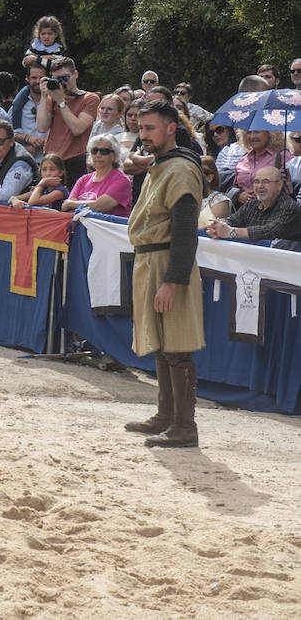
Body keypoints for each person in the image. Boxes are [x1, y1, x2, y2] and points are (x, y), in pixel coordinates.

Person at [124, 100, 205, 448]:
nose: (143, 136)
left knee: (177, 345)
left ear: (171, 128)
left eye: (150, 128)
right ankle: (165, 415)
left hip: (167, 262)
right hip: (150, 261)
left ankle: (185, 425)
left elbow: (186, 232)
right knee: (161, 345)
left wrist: (173, 281)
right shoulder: (163, 164)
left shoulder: (181, 170)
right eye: (140, 129)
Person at [36, 56, 100, 184]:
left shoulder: (90, 98)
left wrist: (61, 102)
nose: (62, 83)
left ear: (75, 74)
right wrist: (44, 97)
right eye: (57, 79)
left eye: (65, 78)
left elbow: (78, 128)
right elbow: (41, 127)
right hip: (51, 160)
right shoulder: (52, 98)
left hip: (75, 161)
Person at [206, 167, 301, 243]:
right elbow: (233, 220)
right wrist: (217, 226)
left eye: (266, 182)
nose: (260, 186)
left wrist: (231, 232)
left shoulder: (289, 207)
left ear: (279, 185)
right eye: (256, 182)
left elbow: (268, 231)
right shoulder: (251, 205)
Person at [61, 134, 133, 216]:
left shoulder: (122, 180)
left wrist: (71, 204)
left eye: (104, 151)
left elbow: (100, 206)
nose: (98, 155)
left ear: (114, 155)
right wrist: (71, 205)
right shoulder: (83, 179)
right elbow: (67, 209)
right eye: (94, 151)